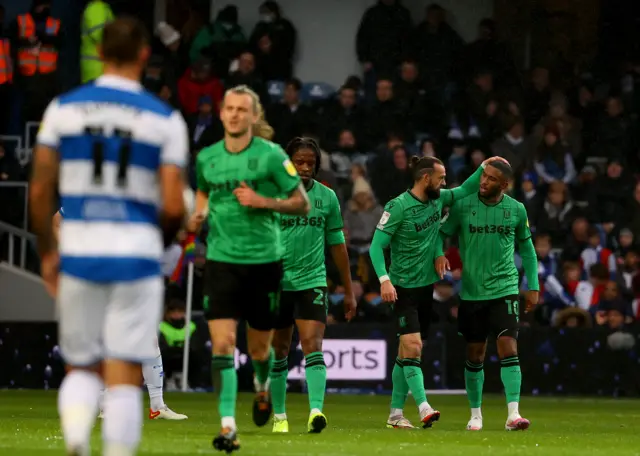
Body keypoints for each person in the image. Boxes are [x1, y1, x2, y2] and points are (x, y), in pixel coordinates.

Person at [29, 17, 188, 456]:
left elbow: (40, 191)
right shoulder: (165, 119)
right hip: (135, 255)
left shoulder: (63, 108)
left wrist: (47, 253)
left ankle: (77, 440)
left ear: (98, 54)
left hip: (81, 252)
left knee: (82, 366)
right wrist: (161, 244)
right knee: (122, 373)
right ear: (143, 55)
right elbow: (174, 206)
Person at [189, 84, 310, 453]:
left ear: (254, 116)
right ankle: (228, 426)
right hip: (222, 261)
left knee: (260, 351)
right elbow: (204, 194)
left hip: (264, 263)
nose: (235, 114)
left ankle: (261, 388)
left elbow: (301, 204)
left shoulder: (272, 156)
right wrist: (197, 216)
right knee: (223, 344)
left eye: (243, 109)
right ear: (222, 113)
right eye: (229, 108)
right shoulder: (207, 158)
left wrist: (263, 201)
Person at [369, 155, 507, 429]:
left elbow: (465, 190)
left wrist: (482, 166)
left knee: (405, 353)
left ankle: (395, 414)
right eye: (441, 178)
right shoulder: (397, 207)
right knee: (414, 347)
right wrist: (384, 280)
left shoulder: (437, 200)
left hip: (425, 289)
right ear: (425, 178)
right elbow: (375, 247)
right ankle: (424, 407)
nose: (444, 182)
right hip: (401, 289)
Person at [54, 207, 188, 421]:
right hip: (98, 276)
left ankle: (157, 405)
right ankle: (105, 405)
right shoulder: (92, 195)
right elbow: (57, 220)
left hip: (129, 276)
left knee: (147, 340)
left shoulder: (133, 194)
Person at [439, 160, 539, 431]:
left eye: (491, 179)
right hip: (472, 293)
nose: (483, 182)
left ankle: (513, 414)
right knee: (475, 354)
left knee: (508, 346)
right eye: (483, 176)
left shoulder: (516, 210)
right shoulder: (462, 205)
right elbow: (442, 233)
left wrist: (533, 286)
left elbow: (528, 250)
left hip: (505, 288)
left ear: (504, 185)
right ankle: (475, 414)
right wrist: (438, 253)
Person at [269, 137, 357, 434]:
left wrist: (348, 289)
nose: (305, 167)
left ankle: (316, 411)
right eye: (300, 161)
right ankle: (279, 416)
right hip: (278, 283)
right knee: (280, 349)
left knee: (312, 345)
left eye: (310, 162)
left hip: (312, 281)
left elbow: (337, 246)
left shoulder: (327, 198)